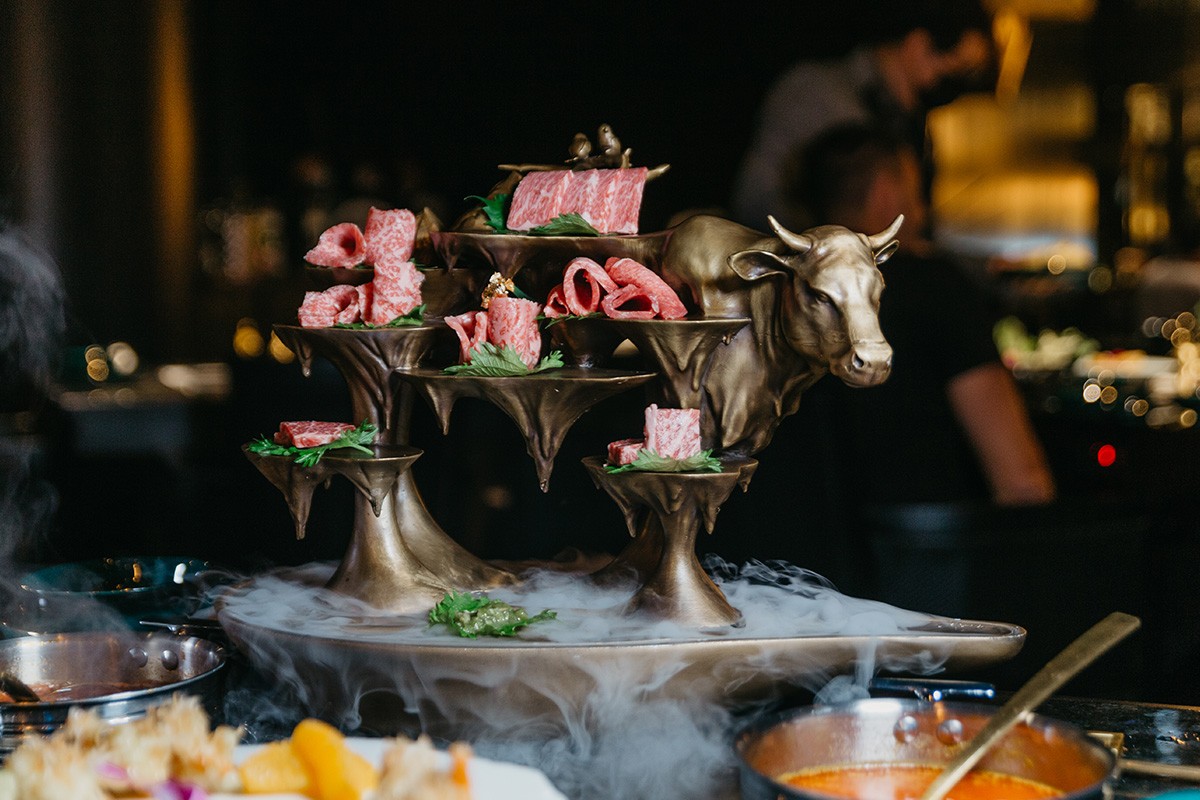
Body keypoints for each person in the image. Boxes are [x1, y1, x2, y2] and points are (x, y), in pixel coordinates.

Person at [794, 123, 1056, 508]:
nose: (923, 210)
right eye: (917, 191)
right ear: (886, 191)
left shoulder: (774, 289)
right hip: (921, 554)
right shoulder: (935, 286)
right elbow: (1020, 481)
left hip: (783, 560)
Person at [729, 0, 995, 232]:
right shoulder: (816, 92)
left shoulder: (909, 122)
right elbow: (755, 200)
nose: (959, 86)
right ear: (918, 45)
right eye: (958, 69)